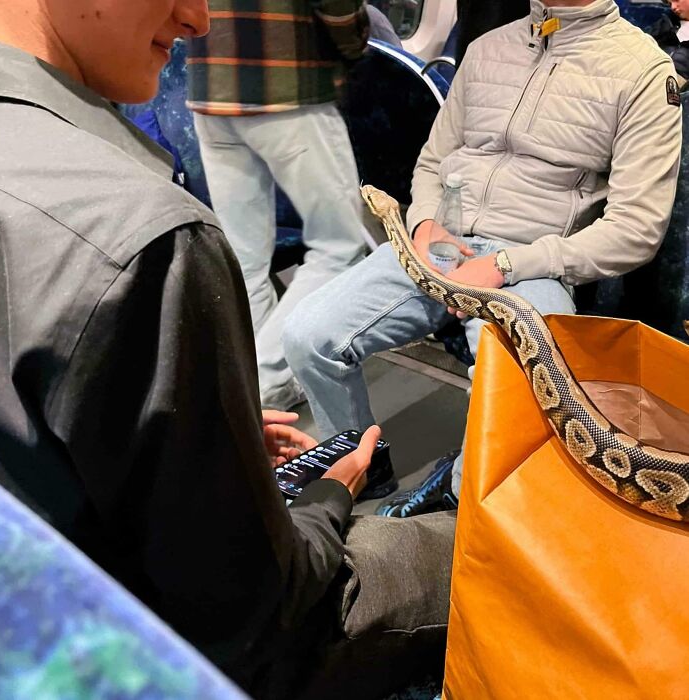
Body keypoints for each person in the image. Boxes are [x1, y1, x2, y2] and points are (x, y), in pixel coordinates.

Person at [0, 2, 455, 699]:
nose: (197, 19)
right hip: (147, 647)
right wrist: (330, 495)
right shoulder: (143, 239)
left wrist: (205, 413)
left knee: (246, 256)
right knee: (476, 541)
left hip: (218, 103)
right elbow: (257, 613)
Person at [283, 0, 683, 517]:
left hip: (533, 261)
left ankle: (458, 487)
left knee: (505, 376)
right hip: (443, 243)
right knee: (308, 336)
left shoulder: (643, 69)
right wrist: (425, 225)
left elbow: (636, 230)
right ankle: (359, 464)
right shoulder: (488, 47)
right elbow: (432, 161)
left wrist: (505, 266)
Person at [186, 0, 371, 416]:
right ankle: (264, 382)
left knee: (245, 259)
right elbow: (339, 9)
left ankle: (266, 386)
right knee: (339, 249)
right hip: (287, 90)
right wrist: (356, 43)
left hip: (209, 90)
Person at [646, 0, 689, 83]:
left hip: (679, 84)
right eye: (670, 3)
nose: (673, 7)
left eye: (676, 0)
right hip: (651, 74)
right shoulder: (664, 24)